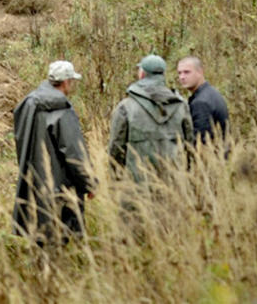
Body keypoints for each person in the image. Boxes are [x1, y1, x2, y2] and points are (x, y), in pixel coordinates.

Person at [12, 60, 96, 245]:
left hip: (33, 186)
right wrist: (88, 183)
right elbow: (74, 153)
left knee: (41, 241)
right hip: (62, 190)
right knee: (62, 243)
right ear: (66, 82)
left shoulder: (27, 105)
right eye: (72, 81)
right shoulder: (62, 109)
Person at [108, 54, 193, 180]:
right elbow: (190, 147)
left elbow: (116, 149)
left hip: (137, 188)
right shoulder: (181, 106)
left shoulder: (125, 108)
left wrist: (117, 179)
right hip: (173, 186)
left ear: (142, 74)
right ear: (163, 75)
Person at [176, 56, 229, 143]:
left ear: (200, 72)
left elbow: (201, 141)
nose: (182, 77)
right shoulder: (211, 92)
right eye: (179, 73)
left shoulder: (201, 102)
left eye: (187, 72)